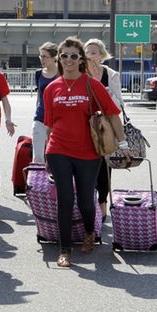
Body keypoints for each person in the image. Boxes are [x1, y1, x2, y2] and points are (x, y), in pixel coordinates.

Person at [43, 36, 132, 267]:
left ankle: (90, 233)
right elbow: (49, 124)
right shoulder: (52, 88)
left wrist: (122, 144)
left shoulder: (92, 84)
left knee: (85, 200)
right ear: (59, 59)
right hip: (58, 148)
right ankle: (64, 250)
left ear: (81, 58)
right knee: (64, 198)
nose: (69, 59)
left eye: (74, 55)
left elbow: (112, 114)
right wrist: (46, 152)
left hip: (88, 152)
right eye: (64, 55)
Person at [84, 38, 124, 222]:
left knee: (104, 167)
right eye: (87, 51)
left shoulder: (111, 74)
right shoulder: (80, 74)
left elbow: (119, 103)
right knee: (86, 167)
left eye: (93, 52)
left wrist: (105, 94)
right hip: (85, 126)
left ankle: (102, 203)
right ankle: (87, 204)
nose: (89, 55)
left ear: (101, 55)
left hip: (106, 128)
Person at [31, 42, 59, 164]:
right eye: (40, 56)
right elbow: (39, 96)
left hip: (58, 120)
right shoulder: (39, 73)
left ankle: (55, 182)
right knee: (38, 157)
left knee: (56, 156)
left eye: (45, 56)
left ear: (54, 58)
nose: (42, 59)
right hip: (40, 118)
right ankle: (37, 182)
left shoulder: (62, 74)